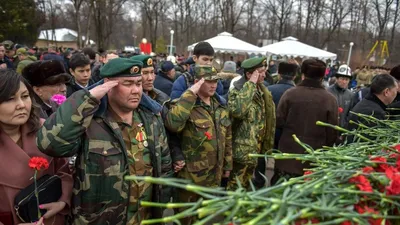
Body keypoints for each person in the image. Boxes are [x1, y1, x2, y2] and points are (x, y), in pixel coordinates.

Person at [36, 58, 173, 225]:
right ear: (109, 85)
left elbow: (164, 165)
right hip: (101, 220)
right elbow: (49, 144)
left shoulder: (151, 118)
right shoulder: (89, 121)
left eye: (138, 83)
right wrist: (88, 98)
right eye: (128, 84)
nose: (136, 90)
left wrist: (162, 204)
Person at [0, 69, 72, 225]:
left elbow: (64, 170)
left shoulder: (45, 130)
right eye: (9, 99)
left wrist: (62, 201)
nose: (21, 105)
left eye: (25, 97)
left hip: (50, 218)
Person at [165, 65, 232, 224]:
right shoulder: (184, 105)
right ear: (196, 82)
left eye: (215, 81)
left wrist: (227, 166)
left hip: (213, 175)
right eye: (208, 81)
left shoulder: (221, 106)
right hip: (190, 178)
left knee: (204, 218)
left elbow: (227, 136)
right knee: (185, 217)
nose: (213, 85)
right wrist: (190, 94)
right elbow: (172, 125)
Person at [272, 59, 338, 185]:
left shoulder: (290, 94)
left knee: (281, 195)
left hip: (287, 158)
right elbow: (332, 133)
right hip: (313, 161)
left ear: (302, 74)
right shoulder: (330, 100)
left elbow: (278, 122)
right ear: (322, 76)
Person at [227, 57, 276, 190]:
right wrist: (251, 83)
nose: (264, 75)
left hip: (254, 150)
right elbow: (238, 111)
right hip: (240, 153)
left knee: (246, 186)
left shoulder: (262, 90)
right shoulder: (238, 90)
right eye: (260, 72)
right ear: (249, 74)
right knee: (234, 188)